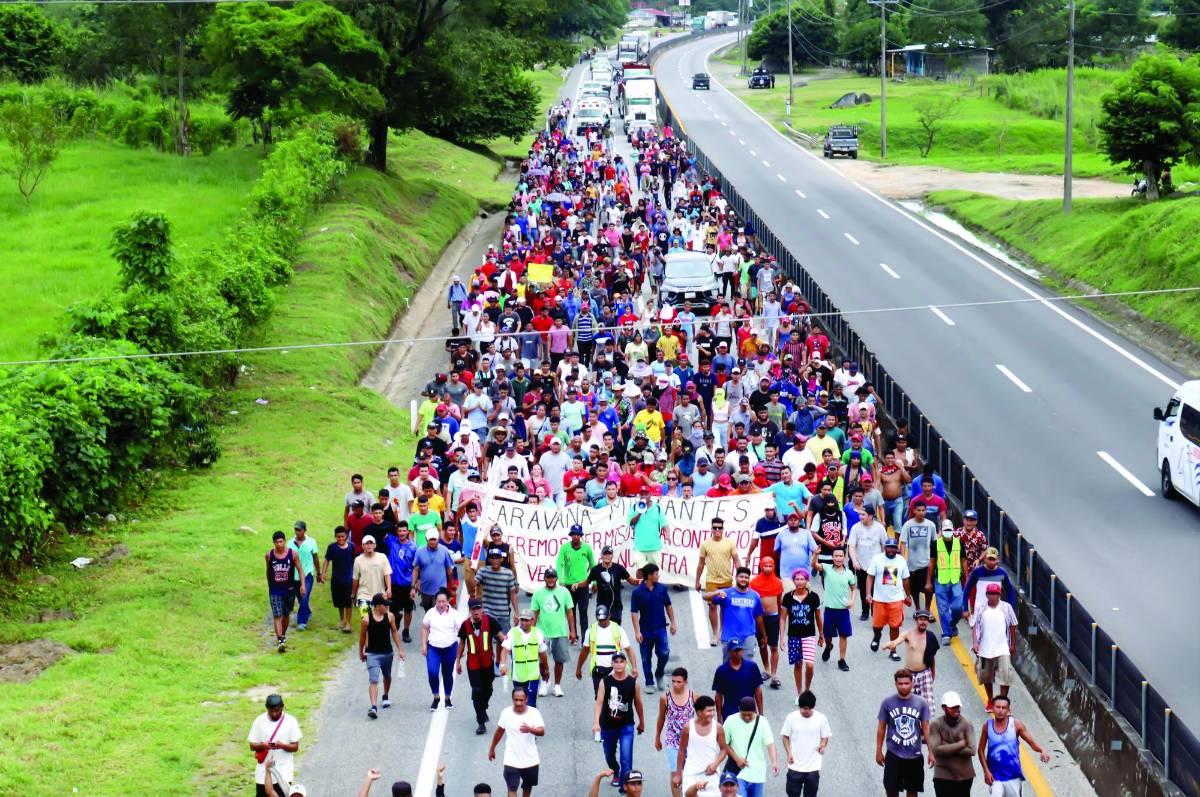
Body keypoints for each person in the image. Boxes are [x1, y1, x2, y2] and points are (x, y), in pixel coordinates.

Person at [876, 668, 935, 797]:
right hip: (893, 754)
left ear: (912, 684)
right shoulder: (887, 703)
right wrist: (878, 751)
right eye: (900, 684)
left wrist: (931, 752)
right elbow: (881, 728)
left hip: (914, 755)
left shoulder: (921, 703)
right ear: (895, 684)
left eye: (906, 683)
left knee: (912, 791)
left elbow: (926, 729)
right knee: (891, 790)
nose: (903, 687)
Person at [978, 695, 1051, 796]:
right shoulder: (987, 726)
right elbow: (980, 750)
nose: (1000, 710)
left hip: (1013, 776)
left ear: (1009, 710)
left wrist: (1042, 750)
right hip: (995, 776)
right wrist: (986, 771)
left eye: (1003, 708)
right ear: (993, 708)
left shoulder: (1016, 725)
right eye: (997, 707)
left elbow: (1032, 743)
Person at [593, 651, 645, 790]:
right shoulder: (605, 682)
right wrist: (596, 722)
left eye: (621, 661)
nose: (619, 664)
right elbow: (599, 702)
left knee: (626, 759)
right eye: (615, 661)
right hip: (608, 726)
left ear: (625, 663)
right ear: (612, 664)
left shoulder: (633, 683)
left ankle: (624, 788)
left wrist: (642, 722)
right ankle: (615, 770)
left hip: (626, 726)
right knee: (609, 756)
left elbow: (638, 704)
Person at [457, 597, 503, 735]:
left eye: (478, 608)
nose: (476, 612)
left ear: (482, 609)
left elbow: (502, 638)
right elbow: (462, 643)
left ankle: (483, 707)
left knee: (488, 689)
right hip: (473, 664)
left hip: (488, 663)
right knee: (477, 691)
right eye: (473, 609)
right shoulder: (465, 625)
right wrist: (457, 661)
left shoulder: (490, 621)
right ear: (470, 611)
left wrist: (502, 659)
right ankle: (481, 722)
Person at [489, 688, 546, 797]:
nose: (518, 703)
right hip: (511, 760)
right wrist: (492, 748)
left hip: (530, 759)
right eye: (516, 700)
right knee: (512, 787)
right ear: (512, 699)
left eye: (521, 700)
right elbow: (499, 731)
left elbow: (542, 731)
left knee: (527, 786)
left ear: (526, 700)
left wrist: (531, 729)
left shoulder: (534, 713)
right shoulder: (506, 713)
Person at [970, 582, 1019, 711]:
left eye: (995, 594)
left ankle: (1003, 702)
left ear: (999, 595)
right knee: (986, 676)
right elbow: (975, 626)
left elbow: (1013, 626)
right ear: (986, 595)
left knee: (1005, 676)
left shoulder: (1006, 608)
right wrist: (975, 643)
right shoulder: (981, 608)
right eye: (990, 594)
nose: (992, 596)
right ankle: (990, 700)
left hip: (1002, 647)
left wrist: (1013, 644)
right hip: (985, 648)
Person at [703, 567, 768, 662]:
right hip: (729, 636)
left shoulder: (755, 596)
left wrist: (763, 635)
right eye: (741, 576)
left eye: (746, 577)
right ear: (736, 577)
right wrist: (716, 592)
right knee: (728, 666)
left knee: (747, 666)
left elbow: (758, 617)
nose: (744, 579)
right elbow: (704, 597)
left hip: (748, 636)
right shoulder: (726, 593)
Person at [630, 563, 676, 692]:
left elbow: (668, 605)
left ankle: (659, 673)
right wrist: (637, 631)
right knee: (645, 657)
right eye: (656, 574)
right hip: (645, 630)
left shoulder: (662, 589)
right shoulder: (637, 592)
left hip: (661, 628)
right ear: (649, 576)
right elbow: (634, 611)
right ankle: (649, 682)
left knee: (664, 653)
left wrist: (673, 623)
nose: (658, 576)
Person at [530, 567, 576, 697]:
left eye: (553, 577)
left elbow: (569, 612)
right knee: (541, 660)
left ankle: (557, 685)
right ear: (544, 578)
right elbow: (534, 613)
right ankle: (544, 682)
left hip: (560, 631)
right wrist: (532, 632)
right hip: (542, 632)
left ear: (556, 578)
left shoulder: (564, 592)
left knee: (559, 660)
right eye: (548, 577)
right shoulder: (537, 594)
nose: (550, 580)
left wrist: (572, 631)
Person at [359, 593, 405, 720]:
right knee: (373, 679)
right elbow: (362, 637)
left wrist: (400, 649)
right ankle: (373, 706)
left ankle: (385, 695)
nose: (387, 607)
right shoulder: (366, 620)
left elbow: (394, 632)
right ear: (378, 606)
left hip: (387, 653)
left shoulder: (390, 617)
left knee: (387, 676)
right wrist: (361, 652)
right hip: (372, 654)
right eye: (385, 605)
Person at [723, 695, 779, 797]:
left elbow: (770, 744)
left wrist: (774, 762)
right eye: (743, 715)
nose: (747, 717)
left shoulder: (762, 722)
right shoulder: (730, 721)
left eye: (750, 715)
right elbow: (724, 743)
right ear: (739, 710)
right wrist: (737, 759)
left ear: (755, 711)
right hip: (738, 773)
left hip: (758, 774)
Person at [247, 694, 302, 797]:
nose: (275, 713)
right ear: (266, 708)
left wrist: (282, 746)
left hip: (284, 771)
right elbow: (252, 745)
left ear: (282, 707)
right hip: (263, 770)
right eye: (271, 711)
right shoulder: (259, 721)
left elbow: (295, 747)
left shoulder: (291, 721)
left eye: (277, 710)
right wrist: (264, 745)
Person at [576, 604, 637, 697]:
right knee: (600, 699)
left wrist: (634, 667)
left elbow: (628, 649)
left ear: (609, 616)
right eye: (600, 620)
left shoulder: (618, 630)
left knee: (615, 699)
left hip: (615, 671)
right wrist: (578, 668)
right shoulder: (591, 631)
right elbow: (585, 651)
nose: (602, 622)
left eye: (604, 619)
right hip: (598, 671)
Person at [695, 517, 740, 640]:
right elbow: (700, 563)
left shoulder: (729, 543)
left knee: (725, 607)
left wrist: (740, 577)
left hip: (727, 580)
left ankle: (722, 631)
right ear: (711, 529)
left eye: (719, 527)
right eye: (714, 527)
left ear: (723, 529)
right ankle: (715, 634)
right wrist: (697, 581)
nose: (717, 530)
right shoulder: (705, 544)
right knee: (712, 606)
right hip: (712, 580)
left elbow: (736, 560)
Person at [780, 690, 831, 797]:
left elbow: (825, 737)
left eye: (806, 708)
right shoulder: (791, 718)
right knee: (792, 794)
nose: (803, 711)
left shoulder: (821, 719)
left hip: (813, 767)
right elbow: (785, 736)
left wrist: (822, 745)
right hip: (795, 766)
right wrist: (789, 752)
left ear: (812, 707)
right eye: (801, 708)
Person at [781, 567, 823, 693]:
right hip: (793, 636)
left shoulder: (814, 597)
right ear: (793, 581)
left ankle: (807, 690)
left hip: (809, 635)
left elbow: (818, 617)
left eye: (802, 579)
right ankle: (799, 693)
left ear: (806, 581)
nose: (799, 582)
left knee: (809, 665)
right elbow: (783, 618)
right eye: (797, 579)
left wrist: (822, 634)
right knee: (798, 664)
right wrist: (782, 638)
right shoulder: (788, 597)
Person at [883, 610, 941, 702]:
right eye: (920, 619)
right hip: (909, 675)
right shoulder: (908, 634)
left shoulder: (931, 636)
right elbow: (897, 641)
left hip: (925, 674)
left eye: (925, 620)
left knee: (928, 705)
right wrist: (890, 644)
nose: (923, 622)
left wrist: (932, 675)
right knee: (908, 703)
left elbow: (932, 658)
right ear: (916, 620)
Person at [676, 695, 729, 795]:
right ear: (699, 713)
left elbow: (724, 750)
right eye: (709, 711)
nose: (712, 713)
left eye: (713, 710)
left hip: (711, 774)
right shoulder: (688, 727)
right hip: (691, 773)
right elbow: (681, 751)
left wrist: (715, 764)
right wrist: (679, 774)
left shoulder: (718, 728)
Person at [422, 588, 465, 711]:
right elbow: (425, 627)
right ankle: (436, 696)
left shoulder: (455, 615)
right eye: (438, 601)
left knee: (447, 673)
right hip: (433, 648)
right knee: (432, 672)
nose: (441, 604)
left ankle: (447, 698)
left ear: (448, 601)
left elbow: (461, 633)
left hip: (450, 648)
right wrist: (424, 645)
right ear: (436, 601)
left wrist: (461, 650)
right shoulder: (430, 613)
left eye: (443, 601)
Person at [655, 668, 696, 797]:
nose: (675, 684)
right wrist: (657, 738)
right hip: (672, 740)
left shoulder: (693, 696)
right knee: (675, 773)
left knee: (690, 771)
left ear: (686, 682)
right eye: (673, 681)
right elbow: (661, 717)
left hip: (690, 741)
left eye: (679, 682)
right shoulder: (665, 698)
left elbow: (701, 717)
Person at [867, 538, 911, 655]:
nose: (891, 550)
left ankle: (893, 650)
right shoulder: (877, 559)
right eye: (889, 547)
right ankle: (877, 636)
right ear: (885, 548)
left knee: (895, 626)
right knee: (877, 625)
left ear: (897, 549)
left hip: (896, 599)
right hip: (879, 599)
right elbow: (870, 576)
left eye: (893, 547)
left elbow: (906, 580)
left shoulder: (901, 561)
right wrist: (868, 594)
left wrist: (908, 596)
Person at [929, 691, 976, 796]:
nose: (956, 710)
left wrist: (945, 745)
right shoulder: (936, 724)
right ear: (944, 708)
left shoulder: (967, 723)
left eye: (957, 707)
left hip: (964, 775)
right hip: (943, 773)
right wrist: (961, 744)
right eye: (952, 708)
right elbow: (936, 750)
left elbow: (972, 750)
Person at [267, 531, 306, 653]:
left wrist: (302, 585)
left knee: (286, 614)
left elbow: (300, 570)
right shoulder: (269, 555)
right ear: (274, 543)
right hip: (275, 590)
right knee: (277, 615)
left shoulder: (292, 554)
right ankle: (280, 640)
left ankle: (283, 635)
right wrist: (270, 586)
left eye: (281, 541)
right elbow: (268, 572)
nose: (279, 544)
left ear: (284, 541)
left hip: (289, 589)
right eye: (276, 542)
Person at [501, 609, 549, 708]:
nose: (523, 622)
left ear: (532, 621)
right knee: (520, 704)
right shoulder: (512, 633)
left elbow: (543, 654)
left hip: (533, 676)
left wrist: (546, 670)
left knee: (531, 704)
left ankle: (531, 723)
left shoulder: (538, 633)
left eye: (526, 620)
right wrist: (502, 665)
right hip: (518, 676)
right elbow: (504, 650)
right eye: (522, 620)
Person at [748, 556, 784, 688]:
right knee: (763, 644)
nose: (768, 569)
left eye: (770, 566)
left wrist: (781, 618)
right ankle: (767, 669)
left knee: (773, 646)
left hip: (773, 617)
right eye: (765, 566)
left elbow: (779, 601)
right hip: (759, 618)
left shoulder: (778, 583)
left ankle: (774, 674)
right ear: (761, 566)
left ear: (773, 567)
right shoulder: (754, 583)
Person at [818, 547, 856, 672]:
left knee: (843, 635)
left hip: (843, 611)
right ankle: (829, 646)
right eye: (836, 556)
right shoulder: (827, 569)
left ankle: (842, 660)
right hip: (829, 610)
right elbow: (814, 564)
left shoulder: (849, 573)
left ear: (844, 557)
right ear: (832, 557)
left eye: (841, 556)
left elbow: (854, 588)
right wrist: (815, 554)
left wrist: (852, 600)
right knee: (828, 635)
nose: (838, 558)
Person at [930, 519, 966, 645]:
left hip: (956, 580)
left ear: (953, 530)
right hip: (941, 580)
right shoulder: (936, 544)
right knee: (943, 608)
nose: (947, 532)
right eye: (945, 530)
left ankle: (952, 623)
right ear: (941, 530)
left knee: (958, 607)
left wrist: (965, 579)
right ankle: (946, 633)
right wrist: (928, 582)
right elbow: (932, 563)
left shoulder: (959, 543)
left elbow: (963, 562)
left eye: (949, 530)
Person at [557, 524, 596, 639]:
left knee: (583, 611)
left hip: (583, 585)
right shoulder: (565, 548)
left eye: (578, 535)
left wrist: (594, 582)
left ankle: (585, 637)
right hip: (569, 585)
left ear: (581, 536)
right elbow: (559, 564)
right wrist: (561, 580)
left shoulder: (587, 548)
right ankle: (573, 635)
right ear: (571, 535)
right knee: (571, 611)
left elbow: (593, 565)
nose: (575, 537)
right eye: (573, 534)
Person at [847, 508, 887, 621]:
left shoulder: (879, 528)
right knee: (864, 589)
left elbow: (885, 546)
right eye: (860, 514)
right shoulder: (856, 528)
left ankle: (876, 611)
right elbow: (851, 546)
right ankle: (865, 611)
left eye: (863, 515)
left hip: (877, 566)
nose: (860, 517)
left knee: (877, 589)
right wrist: (854, 561)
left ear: (871, 516)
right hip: (861, 565)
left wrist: (885, 563)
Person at [899, 501, 936, 613]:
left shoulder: (931, 525)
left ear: (926, 511)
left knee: (929, 590)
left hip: (926, 564)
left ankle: (927, 610)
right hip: (912, 564)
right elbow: (903, 543)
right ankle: (918, 609)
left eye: (923, 510)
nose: (921, 512)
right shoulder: (907, 525)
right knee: (914, 590)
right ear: (914, 511)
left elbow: (934, 543)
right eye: (918, 510)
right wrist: (902, 558)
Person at [712, 639, 764, 720]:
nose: (738, 652)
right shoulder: (721, 670)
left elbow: (758, 691)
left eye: (740, 650)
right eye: (735, 650)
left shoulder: (752, 667)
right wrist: (719, 717)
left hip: (749, 713)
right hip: (729, 714)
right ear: (729, 652)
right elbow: (718, 695)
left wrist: (761, 714)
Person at [588, 545, 639, 623]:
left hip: (616, 606)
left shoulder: (619, 568)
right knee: (603, 630)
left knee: (616, 631)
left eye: (609, 554)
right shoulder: (596, 569)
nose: (607, 556)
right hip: (602, 606)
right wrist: (577, 585)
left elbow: (632, 581)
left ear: (612, 556)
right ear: (601, 555)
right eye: (605, 554)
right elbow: (586, 582)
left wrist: (644, 580)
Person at [477, 546, 519, 635]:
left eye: (497, 558)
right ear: (489, 560)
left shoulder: (508, 573)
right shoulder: (483, 571)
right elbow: (474, 584)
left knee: (504, 642)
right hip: (487, 613)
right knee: (486, 642)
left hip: (503, 614)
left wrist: (516, 613)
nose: (495, 560)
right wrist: (472, 571)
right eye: (492, 558)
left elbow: (513, 594)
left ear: (501, 559)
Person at [627, 486, 669, 575]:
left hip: (654, 547)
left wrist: (668, 536)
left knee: (654, 573)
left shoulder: (657, 508)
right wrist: (639, 513)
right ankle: (641, 588)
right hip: (639, 547)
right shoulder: (635, 507)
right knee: (640, 570)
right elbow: (631, 523)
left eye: (645, 494)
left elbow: (665, 524)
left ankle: (653, 588)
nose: (643, 496)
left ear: (650, 495)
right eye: (641, 495)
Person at [323, 526, 357, 633]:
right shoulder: (332, 547)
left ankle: (348, 623)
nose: (341, 539)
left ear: (346, 536)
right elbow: (327, 560)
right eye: (338, 537)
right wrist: (323, 573)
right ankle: (342, 620)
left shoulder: (352, 547)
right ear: (335, 537)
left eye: (343, 536)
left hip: (348, 579)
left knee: (348, 601)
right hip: (336, 579)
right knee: (339, 601)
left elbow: (354, 562)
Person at [411, 529, 455, 611]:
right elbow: (416, 569)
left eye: (434, 539)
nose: (433, 542)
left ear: (438, 539)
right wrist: (413, 587)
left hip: (440, 591)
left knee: (439, 615)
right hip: (425, 590)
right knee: (428, 614)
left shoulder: (444, 550)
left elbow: (450, 569)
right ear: (426, 539)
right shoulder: (420, 551)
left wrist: (452, 587)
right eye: (430, 539)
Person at [288, 521, 319, 631]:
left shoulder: (311, 542)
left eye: (299, 530)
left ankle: (301, 621)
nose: (297, 532)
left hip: (307, 574)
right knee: (300, 598)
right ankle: (308, 611)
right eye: (295, 530)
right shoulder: (290, 543)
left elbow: (315, 557)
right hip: (294, 576)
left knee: (304, 594)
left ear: (305, 530)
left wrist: (318, 573)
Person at [352, 535, 392, 620]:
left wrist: (389, 588)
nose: (369, 545)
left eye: (371, 543)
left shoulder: (382, 557)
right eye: (366, 543)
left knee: (380, 621)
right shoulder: (358, 560)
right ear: (363, 546)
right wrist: (353, 595)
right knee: (366, 621)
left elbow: (387, 574)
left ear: (375, 545)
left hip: (380, 596)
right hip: (364, 596)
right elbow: (355, 579)